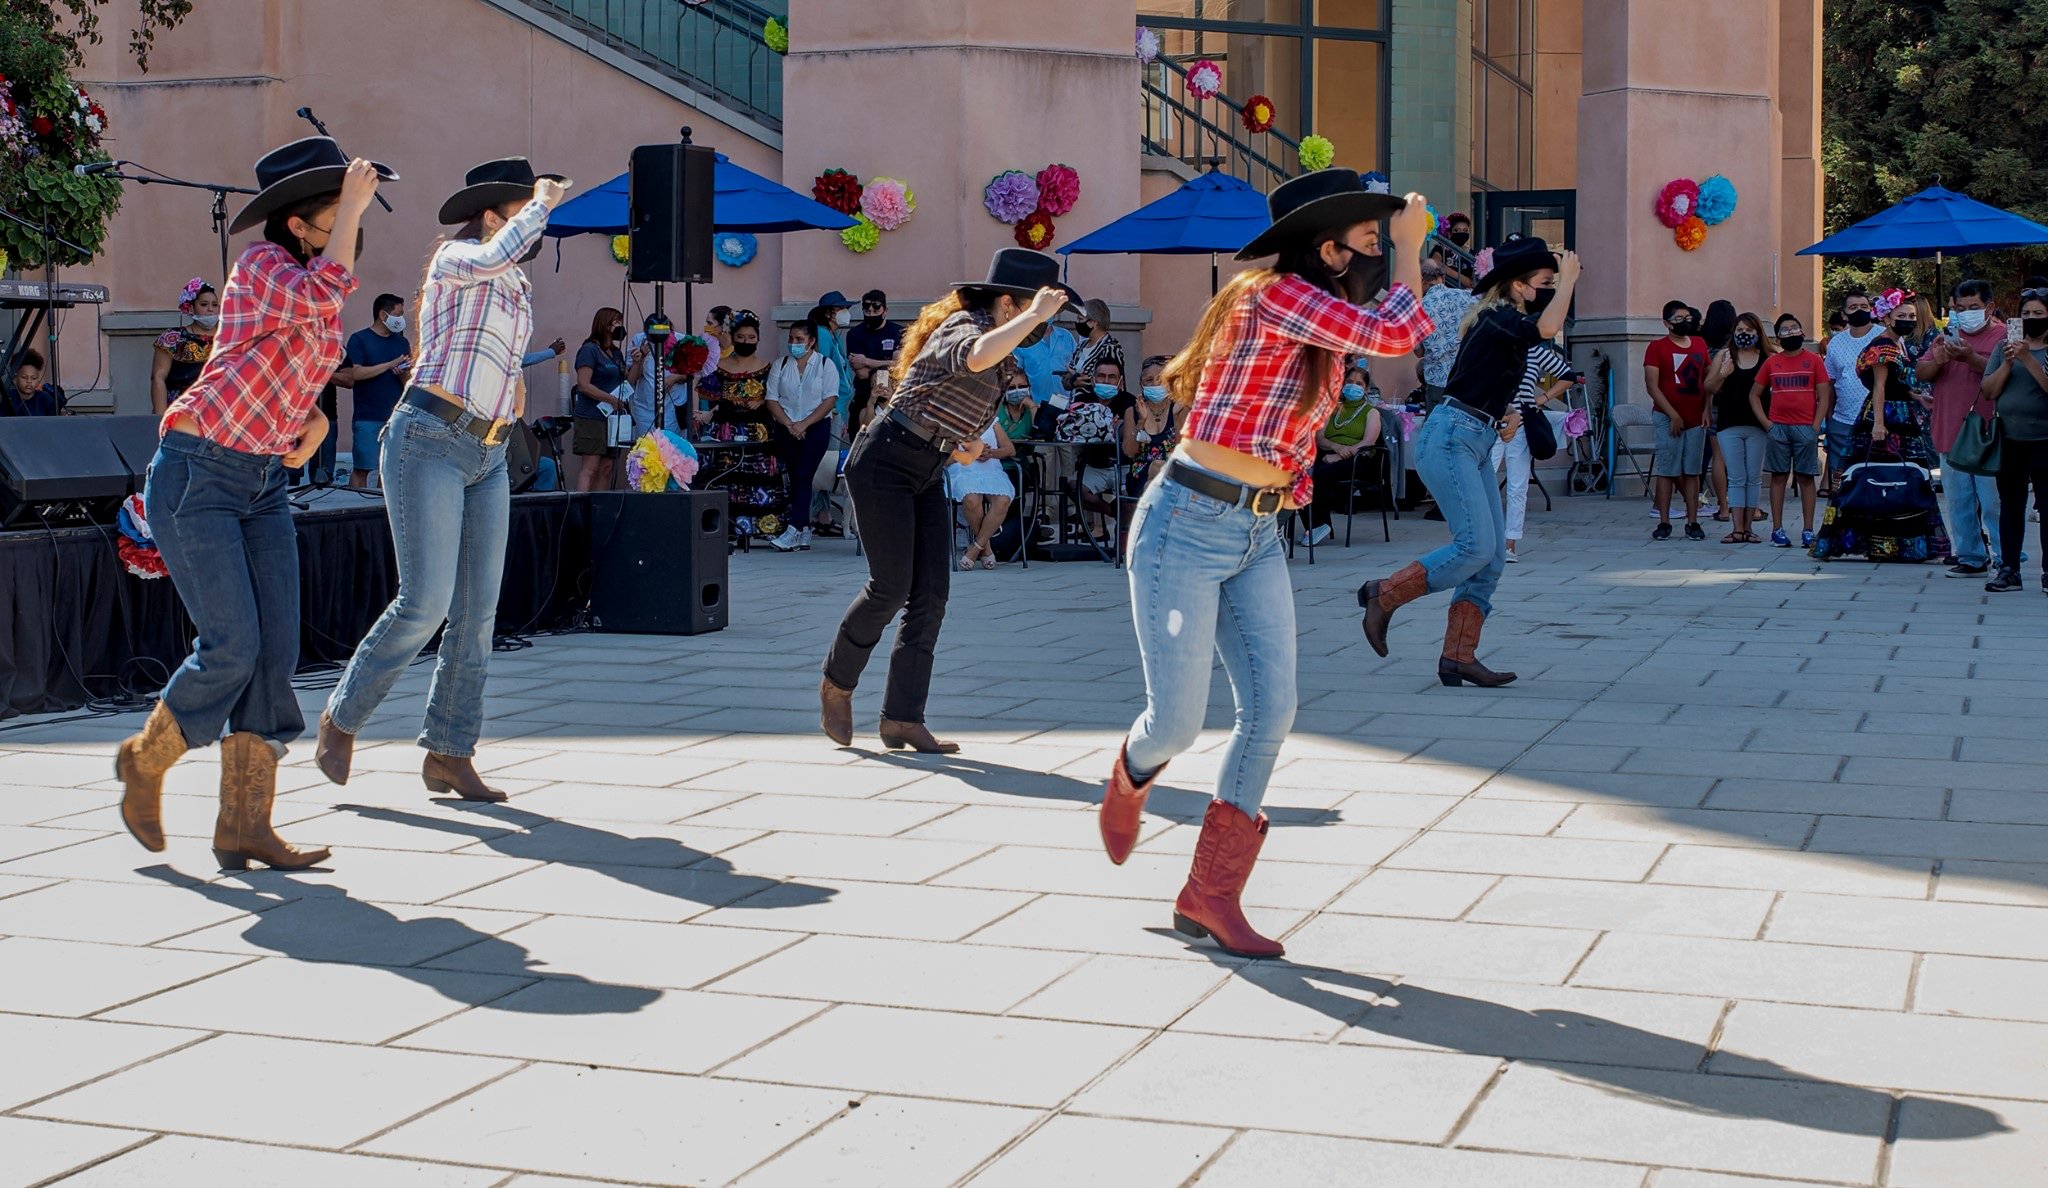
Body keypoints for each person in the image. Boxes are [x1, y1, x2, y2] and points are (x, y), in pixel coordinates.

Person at [1100, 171, 1434, 960]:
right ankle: (1132, 768)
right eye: (1365, 244)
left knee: (1270, 710)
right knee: (1176, 721)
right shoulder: (1272, 294)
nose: (1373, 257)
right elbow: (1392, 335)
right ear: (1325, 249)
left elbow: (1313, 402)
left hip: (1254, 534)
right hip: (1186, 521)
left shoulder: (1312, 318)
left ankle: (1209, 895)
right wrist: (1414, 250)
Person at [114, 137, 385, 870]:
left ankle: (245, 825)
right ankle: (146, 758)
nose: (351, 222)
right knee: (231, 645)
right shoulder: (262, 266)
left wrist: (319, 418)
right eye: (336, 212)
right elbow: (327, 292)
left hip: (264, 480)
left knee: (274, 656)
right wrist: (355, 205)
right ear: (300, 223)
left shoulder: (310, 276)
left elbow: (303, 364)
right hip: (198, 474)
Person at [317, 157, 568, 802]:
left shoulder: (517, 286)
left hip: (487, 453)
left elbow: (504, 362)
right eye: (522, 213)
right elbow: (495, 255)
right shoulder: (459, 262)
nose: (535, 226)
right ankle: (342, 716)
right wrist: (541, 200)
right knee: (425, 601)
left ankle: (450, 753)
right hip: (427, 438)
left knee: (477, 614)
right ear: (492, 217)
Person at [820, 248, 1070, 755]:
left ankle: (902, 719)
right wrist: (1035, 317)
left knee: (932, 595)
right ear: (1008, 304)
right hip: (884, 461)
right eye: (1039, 309)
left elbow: (963, 404)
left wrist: (972, 442)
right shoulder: (964, 325)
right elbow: (975, 356)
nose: (1047, 322)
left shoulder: (1006, 349)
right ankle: (837, 684)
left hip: (929, 467)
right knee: (890, 588)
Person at [1361, 232, 1580, 691]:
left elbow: (1474, 377)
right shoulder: (1501, 316)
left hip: (1474, 435)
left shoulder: (1502, 322)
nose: (1547, 289)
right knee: (1475, 547)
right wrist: (1569, 281)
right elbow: (1545, 330)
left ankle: (1458, 657)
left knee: (1493, 557)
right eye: (1543, 282)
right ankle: (1384, 594)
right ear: (1519, 286)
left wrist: (1507, 410)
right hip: (1452, 438)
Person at [1919, 279, 2004, 576]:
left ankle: (2006, 556)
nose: (1967, 313)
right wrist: (1940, 359)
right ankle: (1970, 556)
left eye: (1974, 307)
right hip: (1949, 430)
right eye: (1961, 308)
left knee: (1993, 502)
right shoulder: (1945, 338)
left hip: (1987, 434)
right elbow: (1922, 371)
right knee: (1958, 501)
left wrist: (1970, 357)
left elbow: (2006, 373)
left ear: (1989, 307)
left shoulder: (2002, 337)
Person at [1981, 290, 2048, 593]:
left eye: (2038, 314)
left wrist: (2027, 359)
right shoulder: (2003, 347)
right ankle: (2009, 568)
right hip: (2009, 437)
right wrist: (2009, 362)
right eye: (2027, 314)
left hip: (2044, 439)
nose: (2031, 319)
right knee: (2010, 505)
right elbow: (1988, 390)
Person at [1492, 334, 1572, 561]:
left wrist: (1543, 398)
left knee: (1517, 486)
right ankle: (1493, 540)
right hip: (1493, 421)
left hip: (1521, 424)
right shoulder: (1492, 345)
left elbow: (1567, 375)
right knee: (1486, 481)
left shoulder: (1533, 350)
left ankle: (1510, 543)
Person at [1753, 313, 1829, 548]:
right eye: (1784, 330)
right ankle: (1777, 530)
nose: (1790, 333)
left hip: (1805, 427)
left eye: (1794, 328)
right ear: (1778, 337)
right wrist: (1767, 424)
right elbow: (1754, 394)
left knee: (1806, 478)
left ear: (1802, 332)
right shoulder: (1772, 362)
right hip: (1778, 428)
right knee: (1778, 477)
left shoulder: (1814, 360)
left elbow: (1824, 394)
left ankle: (1808, 530)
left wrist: (1816, 425)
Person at [765, 320, 842, 552]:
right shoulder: (781, 364)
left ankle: (795, 527)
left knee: (803, 472)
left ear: (811, 342)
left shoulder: (825, 365)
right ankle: (804, 529)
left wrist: (805, 423)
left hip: (815, 427)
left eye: (799, 339)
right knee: (794, 476)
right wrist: (789, 424)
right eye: (791, 339)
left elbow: (830, 399)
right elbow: (772, 399)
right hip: (786, 427)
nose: (794, 343)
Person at [1643, 300, 1710, 540]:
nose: (1685, 322)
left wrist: (1706, 410)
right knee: (1667, 470)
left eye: (1687, 317)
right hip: (1666, 417)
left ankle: (1693, 521)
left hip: (1695, 418)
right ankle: (1664, 521)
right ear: (1667, 323)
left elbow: (1707, 382)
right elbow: (1652, 386)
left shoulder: (1700, 344)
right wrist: (1672, 414)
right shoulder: (1657, 348)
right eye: (1679, 319)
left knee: (1692, 471)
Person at [1704, 312, 1771, 543]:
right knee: (1736, 477)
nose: (1744, 335)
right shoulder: (1725, 356)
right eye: (1740, 330)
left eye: (1749, 331)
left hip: (1757, 424)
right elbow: (1708, 388)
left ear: (1758, 333)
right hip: (1729, 424)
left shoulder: (1767, 357)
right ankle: (1736, 528)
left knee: (1753, 477)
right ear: (1733, 332)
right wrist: (1723, 374)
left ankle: (1749, 527)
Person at [1300, 364, 1381, 545]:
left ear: (1366, 388)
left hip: (1358, 459)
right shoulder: (1333, 409)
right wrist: (1336, 447)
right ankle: (1313, 525)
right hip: (1329, 453)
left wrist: (1340, 455)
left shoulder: (1371, 412)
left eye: (1359, 384)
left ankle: (1319, 523)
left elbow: (1368, 442)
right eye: (1350, 382)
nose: (1354, 386)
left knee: (1322, 474)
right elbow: (1320, 437)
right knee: (1300, 474)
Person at [341, 293, 412, 488]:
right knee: (363, 468)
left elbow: (408, 382)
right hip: (368, 416)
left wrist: (401, 373)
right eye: (398, 314)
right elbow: (355, 374)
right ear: (383, 315)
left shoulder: (401, 343)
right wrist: (390, 364)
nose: (401, 319)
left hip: (395, 417)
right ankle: (352, 508)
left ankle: (381, 509)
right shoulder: (360, 339)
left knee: (388, 468)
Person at [1823, 290, 1883, 489]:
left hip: (1876, 420)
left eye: (1864, 307)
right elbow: (1829, 383)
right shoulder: (1836, 343)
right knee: (1841, 481)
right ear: (1844, 314)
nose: (1860, 311)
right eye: (1854, 307)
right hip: (1843, 420)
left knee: (1874, 478)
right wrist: (1829, 418)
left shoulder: (1883, 337)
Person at [571, 307, 634, 491]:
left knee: (607, 467)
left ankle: (601, 509)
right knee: (591, 467)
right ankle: (581, 511)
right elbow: (584, 384)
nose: (620, 327)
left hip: (613, 419)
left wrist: (638, 361)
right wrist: (610, 400)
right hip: (592, 416)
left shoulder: (616, 354)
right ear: (605, 325)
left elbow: (627, 383)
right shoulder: (589, 350)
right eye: (617, 323)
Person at [947, 419, 1016, 570]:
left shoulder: (992, 421)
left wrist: (990, 453)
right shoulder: (951, 418)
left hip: (991, 470)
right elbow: (945, 454)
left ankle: (976, 548)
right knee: (972, 498)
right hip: (963, 470)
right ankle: (986, 548)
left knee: (1003, 500)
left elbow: (1010, 449)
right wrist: (972, 454)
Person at [150, 279, 219, 414]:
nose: (210, 309)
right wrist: (159, 418)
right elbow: (158, 376)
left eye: (215, 305)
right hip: (182, 411)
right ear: (192, 307)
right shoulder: (173, 337)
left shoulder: (228, 337)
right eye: (204, 304)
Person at [1418, 259, 1478, 409]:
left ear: (1421, 280)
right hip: (1466, 377)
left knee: (1436, 429)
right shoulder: (1467, 297)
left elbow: (1419, 352)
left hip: (1438, 380)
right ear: (1442, 278)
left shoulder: (1419, 309)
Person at [846, 289, 905, 436]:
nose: (871, 314)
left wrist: (866, 361)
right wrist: (886, 363)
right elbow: (862, 373)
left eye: (876, 309)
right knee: (860, 436)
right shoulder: (854, 334)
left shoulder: (899, 332)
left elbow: (900, 365)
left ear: (885, 311)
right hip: (865, 392)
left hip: (894, 394)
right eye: (867, 311)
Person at [1122, 355, 1181, 494]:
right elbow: (1129, 452)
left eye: (1160, 380)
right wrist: (1141, 422)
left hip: (1174, 473)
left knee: (1159, 476)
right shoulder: (1132, 412)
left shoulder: (1179, 409)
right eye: (1149, 380)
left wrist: (1176, 418)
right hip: (1140, 473)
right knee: (1157, 466)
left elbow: (1183, 451)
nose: (1155, 384)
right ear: (1141, 384)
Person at [1065, 298, 1126, 393]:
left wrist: (1080, 381)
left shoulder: (1110, 347)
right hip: (1076, 403)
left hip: (1099, 405)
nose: (1077, 323)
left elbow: (1110, 383)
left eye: (1080, 319)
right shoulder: (1082, 345)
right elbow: (1068, 378)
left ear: (1093, 322)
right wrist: (1071, 380)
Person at [3, 348, 67, 417]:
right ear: (15, 379)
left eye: (34, 378)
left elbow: (61, 401)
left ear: (38, 379)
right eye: (24, 377)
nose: (29, 381)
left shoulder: (44, 398)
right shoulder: (8, 398)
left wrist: (44, 387)